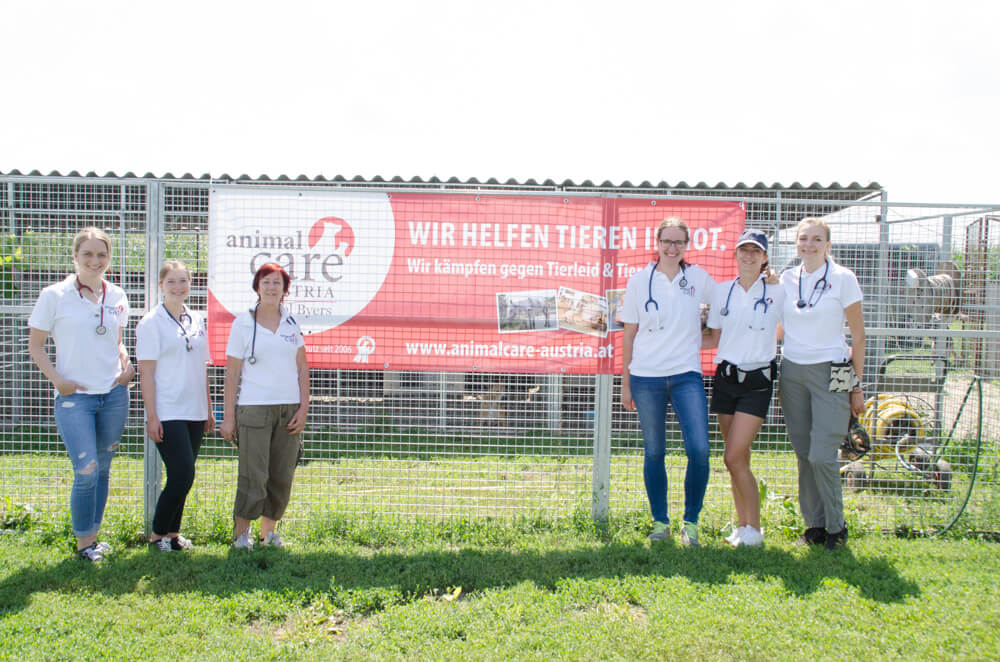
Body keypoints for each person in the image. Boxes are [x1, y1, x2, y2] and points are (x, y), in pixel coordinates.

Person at [27, 227, 134, 562]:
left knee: (102, 469)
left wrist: (127, 364)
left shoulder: (117, 295)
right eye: (87, 254)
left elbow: (116, 341)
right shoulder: (54, 295)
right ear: (75, 256)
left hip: (113, 395)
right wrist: (57, 380)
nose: (95, 260)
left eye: (102, 254)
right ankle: (83, 543)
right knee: (86, 470)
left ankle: (93, 539)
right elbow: (36, 346)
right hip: (75, 399)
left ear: (109, 258)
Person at [620, 217, 716, 546]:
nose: (672, 248)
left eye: (678, 242)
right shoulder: (639, 281)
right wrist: (626, 382)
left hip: (686, 375)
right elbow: (629, 333)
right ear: (657, 243)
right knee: (654, 451)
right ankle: (660, 522)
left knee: (699, 449)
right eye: (667, 241)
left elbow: (727, 301)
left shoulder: (698, 278)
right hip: (646, 377)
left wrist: (766, 280)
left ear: (686, 245)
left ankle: (692, 523)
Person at [778, 217, 866, 550]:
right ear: (796, 243)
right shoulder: (786, 279)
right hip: (792, 370)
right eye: (804, 238)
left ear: (828, 245)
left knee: (822, 454)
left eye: (817, 239)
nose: (809, 244)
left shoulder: (844, 279)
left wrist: (856, 386)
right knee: (804, 454)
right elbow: (780, 329)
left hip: (834, 369)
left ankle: (836, 527)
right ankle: (814, 526)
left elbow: (858, 336)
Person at [219, 263, 309, 549]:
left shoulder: (291, 322)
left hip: (288, 410)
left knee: (281, 474)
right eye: (266, 282)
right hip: (254, 409)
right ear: (257, 287)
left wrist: (303, 409)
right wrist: (228, 417)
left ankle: (268, 535)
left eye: (277, 283)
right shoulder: (242, 324)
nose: (271, 288)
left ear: (285, 290)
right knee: (253, 475)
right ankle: (241, 536)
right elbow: (232, 373)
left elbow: (302, 367)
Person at [706, 230, 783, 547]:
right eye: (744, 250)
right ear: (736, 255)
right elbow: (713, 336)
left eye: (755, 251)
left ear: (764, 258)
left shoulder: (779, 291)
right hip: (726, 378)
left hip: (757, 381)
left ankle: (756, 529)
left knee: (733, 456)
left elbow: (788, 328)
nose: (749, 256)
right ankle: (743, 526)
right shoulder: (722, 291)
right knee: (738, 459)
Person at [136, 260, 213, 552]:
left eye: (183, 281)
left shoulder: (196, 319)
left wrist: (208, 409)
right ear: (161, 286)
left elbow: (201, 368)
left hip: (195, 409)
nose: (178, 287)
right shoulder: (151, 322)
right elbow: (146, 373)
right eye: (171, 282)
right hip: (168, 409)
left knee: (184, 475)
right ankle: (157, 536)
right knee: (183, 474)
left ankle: (172, 535)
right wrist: (152, 416)